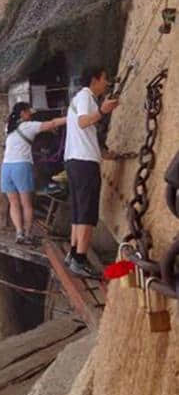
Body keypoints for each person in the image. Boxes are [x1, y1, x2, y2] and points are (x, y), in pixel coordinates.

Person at [64, 66, 119, 277]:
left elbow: (84, 132)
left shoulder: (78, 99)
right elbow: (83, 121)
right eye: (105, 78)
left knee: (78, 213)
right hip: (85, 163)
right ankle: (80, 259)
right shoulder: (86, 96)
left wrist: (108, 154)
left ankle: (73, 254)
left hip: (75, 161)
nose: (107, 83)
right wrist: (103, 110)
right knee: (87, 214)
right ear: (95, 80)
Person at [1, 102, 67, 244]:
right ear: (23, 113)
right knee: (26, 203)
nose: (30, 115)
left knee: (13, 203)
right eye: (28, 112)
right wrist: (70, 117)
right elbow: (52, 123)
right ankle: (28, 234)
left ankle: (19, 233)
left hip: (6, 167)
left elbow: (9, 120)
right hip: (21, 166)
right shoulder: (28, 126)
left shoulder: (8, 128)